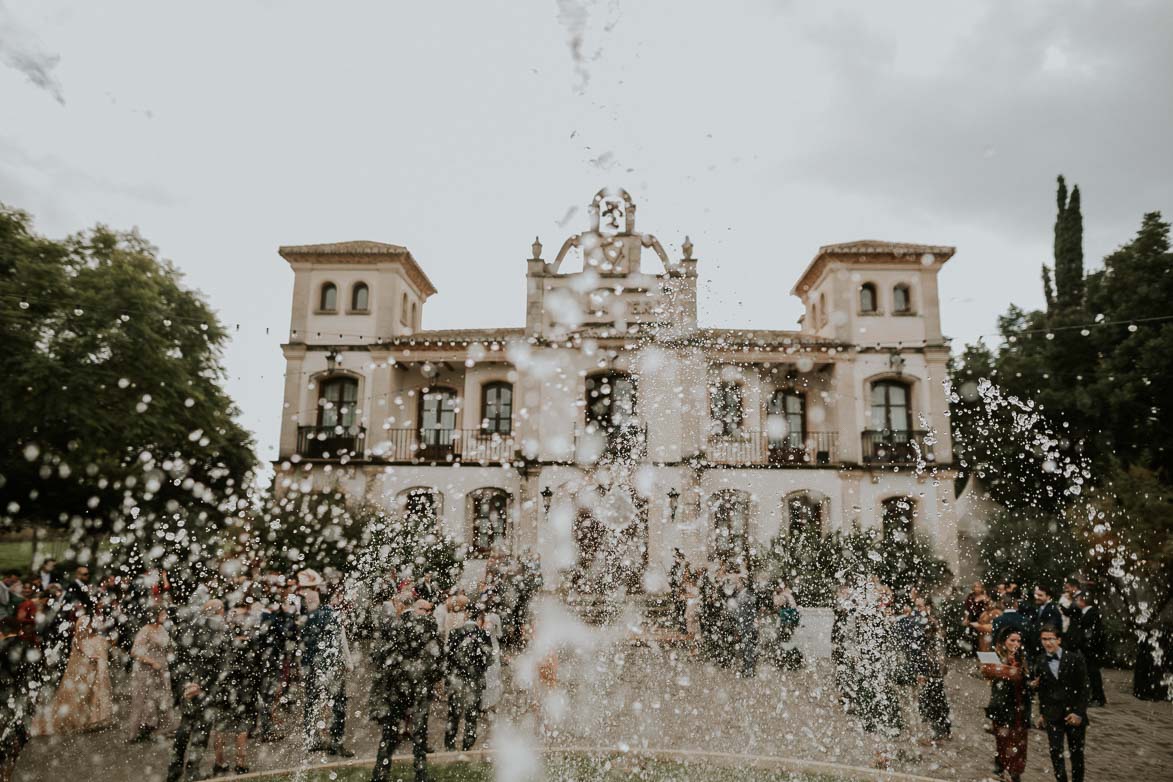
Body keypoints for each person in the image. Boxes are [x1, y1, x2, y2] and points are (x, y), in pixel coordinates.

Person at [370, 599, 443, 782]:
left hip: (396, 688)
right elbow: (437, 657)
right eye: (425, 610)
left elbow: (379, 656)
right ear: (416, 608)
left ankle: (381, 772)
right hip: (417, 687)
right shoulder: (427, 626)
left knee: (390, 732)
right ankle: (420, 774)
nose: (428, 614)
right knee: (419, 732)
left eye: (430, 611)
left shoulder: (394, 626)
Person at [166, 599, 229, 782]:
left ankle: (175, 770)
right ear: (219, 612)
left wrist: (185, 685)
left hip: (190, 688)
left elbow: (176, 661)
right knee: (198, 732)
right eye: (223, 610)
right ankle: (191, 770)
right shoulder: (217, 631)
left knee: (185, 729)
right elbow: (218, 664)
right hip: (202, 690)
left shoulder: (187, 628)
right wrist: (198, 686)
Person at [1031, 625, 1089, 782]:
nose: (1047, 643)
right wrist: (1042, 713)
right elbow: (1043, 691)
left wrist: (1078, 713)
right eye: (1044, 639)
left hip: (1073, 714)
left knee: (1076, 753)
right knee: (1055, 751)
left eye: (1051, 639)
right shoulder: (1040, 660)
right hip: (1052, 714)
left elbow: (1084, 689)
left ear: (1059, 640)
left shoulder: (1075, 659)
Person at [301, 587, 355, 756]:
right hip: (331, 668)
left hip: (315, 669)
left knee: (312, 704)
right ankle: (335, 741)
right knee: (337, 704)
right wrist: (348, 662)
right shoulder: (330, 615)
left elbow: (304, 647)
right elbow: (341, 638)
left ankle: (313, 740)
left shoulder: (308, 619)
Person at [211, 606, 263, 775]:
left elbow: (215, 664)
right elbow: (256, 669)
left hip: (223, 688)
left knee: (219, 726)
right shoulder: (249, 644)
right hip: (243, 690)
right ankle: (240, 763)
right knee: (241, 727)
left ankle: (219, 763)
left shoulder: (222, 641)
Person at [45, 610, 113, 733]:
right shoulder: (78, 640)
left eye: (88, 624)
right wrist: (93, 657)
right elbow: (84, 652)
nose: (88, 627)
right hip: (81, 672)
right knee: (81, 696)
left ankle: (91, 719)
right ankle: (80, 720)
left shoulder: (94, 638)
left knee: (92, 694)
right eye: (85, 625)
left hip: (91, 671)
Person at [981, 628, 1032, 782]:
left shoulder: (1022, 658)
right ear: (1004, 641)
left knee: (1019, 744)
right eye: (1012, 640)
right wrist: (1006, 672)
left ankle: (1014, 773)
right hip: (1002, 706)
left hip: (1020, 707)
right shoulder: (996, 657)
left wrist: (1030, 683)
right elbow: (987, 672)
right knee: (1003, 742)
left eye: (1018, 641)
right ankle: (1001, 770)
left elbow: (1026, 681)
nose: (1016, 644)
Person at [443, 603, 492, 752]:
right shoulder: (484, 635)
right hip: (475, 679)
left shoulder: (455, 633)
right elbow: (489, 658)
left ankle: (450, 744)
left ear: (466, 615)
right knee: (471, 714)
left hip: (457, 679)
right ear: (479, 618)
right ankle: (467, 744)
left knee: (454, 713)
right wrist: (480, 669)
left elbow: (448, 657)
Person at [0, 616, 40, 782]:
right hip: (20, 697)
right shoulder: (29, 647)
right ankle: (8, 772)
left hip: (3, 696)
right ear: (19, 630)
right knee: (17, 734)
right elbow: (35, 675)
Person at [126, 605, 174, 742]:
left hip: (161, 668)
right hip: (146, 670)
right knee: (144, 699)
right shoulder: (145, 630)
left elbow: (167, 645)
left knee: (159, 697)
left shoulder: (162, 629)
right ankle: (140, 730)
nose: (165, 616)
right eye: (162, 613)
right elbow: (134, 651)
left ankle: (156, 728)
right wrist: (151, 662)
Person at [911, 598, 951, 742]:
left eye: (920, 606)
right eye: (917, 606)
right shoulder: (926, 620)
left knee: (933, 699)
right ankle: (942, 728)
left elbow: (933, 648)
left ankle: (940, 730)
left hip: (932, 667)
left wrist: (925, 671)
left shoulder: (931, 621)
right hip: (932, 666)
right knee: (934, 699)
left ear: (927, 607)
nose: (918, 608)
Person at [1075, 592, 1107, 707]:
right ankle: (1094, 696)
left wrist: (1087, 645)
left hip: (1091, 650)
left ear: (1083, 601)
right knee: (1090, 673)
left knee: (1093, 673)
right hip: (1088, 649)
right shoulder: (1087, 613)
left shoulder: (1091, 613)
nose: (1076, 602)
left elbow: (1092, 633)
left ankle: (1098, 697)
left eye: (1078, 600)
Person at [1030, 585, 1063, 660]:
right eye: (1036, 595)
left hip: (1047, 646)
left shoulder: (1051, 610)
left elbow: (1051, 629)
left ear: (1048, 597)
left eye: (1040, 595)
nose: (1037, 597)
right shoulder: (1040, 608)